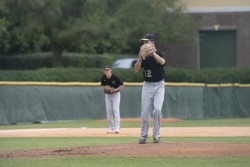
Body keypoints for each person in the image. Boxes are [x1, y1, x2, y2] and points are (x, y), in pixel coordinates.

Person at [134, 33, 166, 144]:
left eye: (146, 41)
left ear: (152, 42)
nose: (144, 43)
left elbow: (162, 62)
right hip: (147, 86)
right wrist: (139, 58)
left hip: (159, 86)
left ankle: (156, 135)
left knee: (157, 110)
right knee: (145, 112)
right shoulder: (143, 56)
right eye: (144, 42)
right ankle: (143, 136)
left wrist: (153, 53)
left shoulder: (159, 54)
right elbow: (137, 69)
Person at [101, 65, 125, 134]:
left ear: (110, 70)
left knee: (116, 110)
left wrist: (115, 90)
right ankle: (111, 128)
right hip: (108, 95)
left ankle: (117, 127)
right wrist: (107, 88)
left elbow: (122, 85)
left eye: (108, 70)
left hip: (116, 95)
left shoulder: (115, 77)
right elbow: (102, 86)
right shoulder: (103, 78)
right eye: (105, 70)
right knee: (108, 111)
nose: (106, 71)